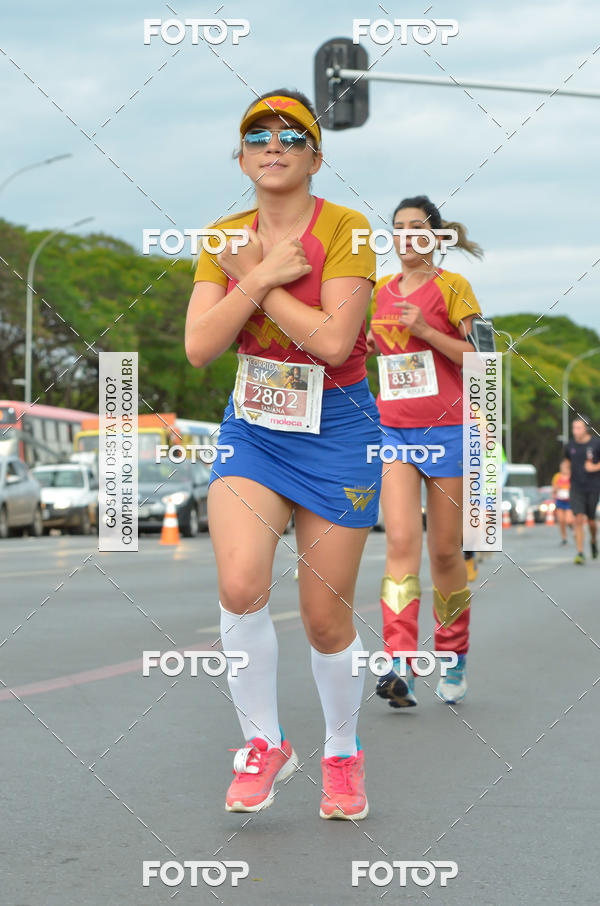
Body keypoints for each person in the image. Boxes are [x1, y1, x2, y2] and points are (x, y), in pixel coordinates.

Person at [185, 89, 381, 820]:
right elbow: (201, 347)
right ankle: (264, 743)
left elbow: (332, 342)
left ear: (315, 156)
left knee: (325, 619)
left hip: (338, 429)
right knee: (239, 586)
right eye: (257, 135)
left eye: (291, 135)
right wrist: (261, 274)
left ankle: (340, 753)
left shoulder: (349, 229)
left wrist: (251, 283)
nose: (274, 144)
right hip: (256, 428)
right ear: (241, 156)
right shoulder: (223, 236)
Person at [367, 194, 485, 707]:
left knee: (443, 551)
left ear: (437, 237)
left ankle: (454, 656)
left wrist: (423, 330)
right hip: (392, 431)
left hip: (448, 431)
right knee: (399, 545)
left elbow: (482, 357)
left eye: (418, 228)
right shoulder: (376, 292)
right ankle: (399, 665)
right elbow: (360, 347)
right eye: (398, 228)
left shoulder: (452, 287)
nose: (407, 236)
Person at [563, 415, 600, 564]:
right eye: (573, 427)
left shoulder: (596, 444)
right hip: (576, 487)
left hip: (592, 486)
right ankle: (580, 552)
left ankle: (592, 540)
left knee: (591, 521)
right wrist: (565, 469)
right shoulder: (569, 446)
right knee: (578, 518)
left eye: (578, 428)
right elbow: (566, 461)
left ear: (586, 429)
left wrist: (595, 467)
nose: (575, 431)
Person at [551, 459, 572, 545]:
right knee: (561, 520)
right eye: (562, 467)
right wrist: (557, 488)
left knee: (568, 520)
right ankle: (564, 538)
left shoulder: (572, 476)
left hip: (569, 501)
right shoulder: (557, 476)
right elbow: (553, 489)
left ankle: (572, 526)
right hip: (560, 501)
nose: (563, 468)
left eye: (565, 467)